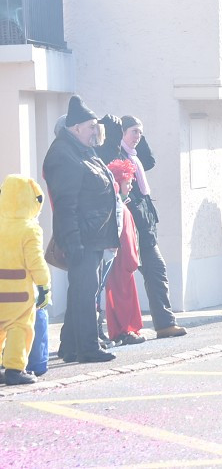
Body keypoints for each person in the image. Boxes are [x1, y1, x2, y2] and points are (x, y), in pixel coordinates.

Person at [42, 95, 119, 363]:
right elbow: (66, 203)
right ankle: (87, 348)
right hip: (83, 237)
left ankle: (70, 347)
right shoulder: (64, 153)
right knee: (85, 293)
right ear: (75, 128)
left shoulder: (83, 149)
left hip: (93, 236)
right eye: (91, 127)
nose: (95, 132)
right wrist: (74, 242)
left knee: (82, 292)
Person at [116, 116, 187, 339]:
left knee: (156, 270)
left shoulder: (135, 156)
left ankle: (165, 324)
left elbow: (150, 160)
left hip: (145, 226)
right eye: (134, 132)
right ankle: (124, 329)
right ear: (122, 133)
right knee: (140, 274)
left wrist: (139, 137)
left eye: (141, 132)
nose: (138, 137)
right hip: (131, 225)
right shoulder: (117, 156)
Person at [0, 175, 51, 385]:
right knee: (19, 328)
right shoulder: (30, 229)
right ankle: (14, 369)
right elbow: (36, 261)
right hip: (19, 293)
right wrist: (44, 285)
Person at [103, 159, 145, 345]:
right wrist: (132, 260)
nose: (129, 186)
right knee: (123, 297)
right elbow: (125, 236)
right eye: (127, 182)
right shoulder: (119, 206)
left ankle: (122, 330)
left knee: (120, 295)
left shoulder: (119, 204)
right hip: (122, 261)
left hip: (121, 260)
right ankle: (125, 330)